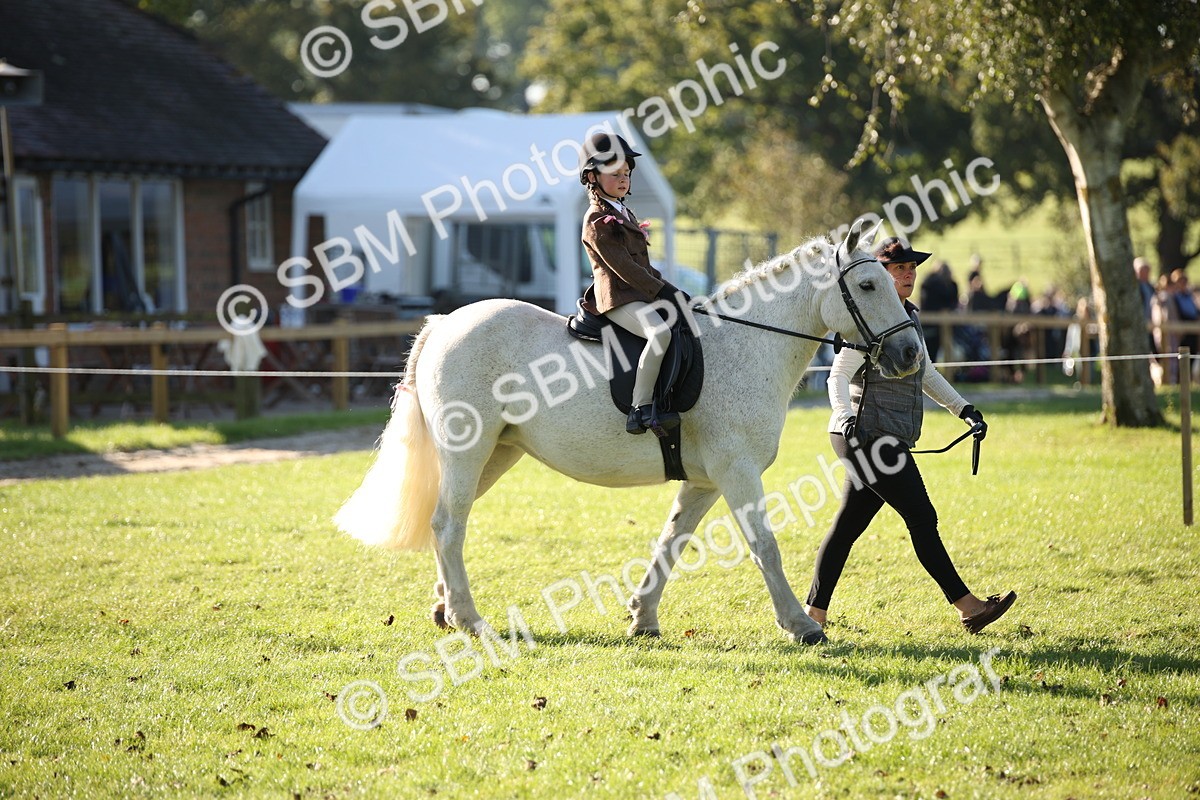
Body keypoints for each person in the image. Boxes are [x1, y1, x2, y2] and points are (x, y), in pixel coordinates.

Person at [805, 236, 1017, 635]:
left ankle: (813, 614)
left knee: (848, 527)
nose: (908, 273)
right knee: (922, 517)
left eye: (911, 267)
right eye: (899, 268)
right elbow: (837, 375)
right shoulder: (869, 321)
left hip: (885, 434)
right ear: (881, 276)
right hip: (866, 435)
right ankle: (969, 607)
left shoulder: (908, 319)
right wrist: (846, 417)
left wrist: (964, 410)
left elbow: (927, 375)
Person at [577, 131, 683, 434]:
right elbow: (623, 268)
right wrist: (663, 291)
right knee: (660, 333)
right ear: (593, 177)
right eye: (614, 174)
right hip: (617, 299)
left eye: (626, 173)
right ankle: (641, 407)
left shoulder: (624, 212)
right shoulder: (596, 219)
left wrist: (675, 291)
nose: (623, 179)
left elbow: (643, 266)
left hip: (639, 296)